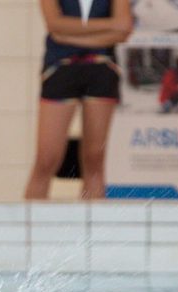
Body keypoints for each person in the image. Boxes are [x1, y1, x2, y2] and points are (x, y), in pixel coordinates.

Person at [24, 0, 133, 200]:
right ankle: (28, 228)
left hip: (102, 69)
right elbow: (54, 25)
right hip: (60, 68)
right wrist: (108, 26)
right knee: (46, 159)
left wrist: (69, 34)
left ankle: (90, 227)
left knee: (94, 159)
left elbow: (124, 27)